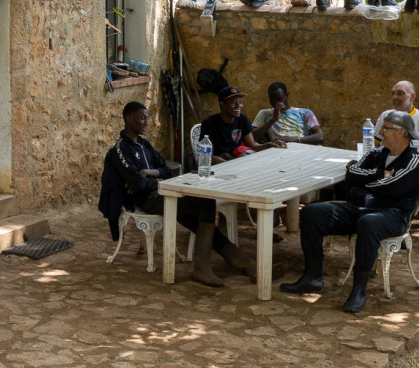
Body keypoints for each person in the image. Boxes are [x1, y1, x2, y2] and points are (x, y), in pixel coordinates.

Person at [279, 111, 419, 313]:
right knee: (312, 213)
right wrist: (379, 176)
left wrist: (366, 186)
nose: (381, 132)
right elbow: (351, 174)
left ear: (402, 133)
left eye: (386, 128)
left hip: (394, 214)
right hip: (361, 208)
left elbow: (394, 188)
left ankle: (359, 290)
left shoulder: (414, 160)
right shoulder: (377, 154)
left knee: (369, 223)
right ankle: (312, 278)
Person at [99, 101, 256, 286]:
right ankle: (205, 268)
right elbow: (138, 185)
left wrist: (150, 173)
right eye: (142, 118)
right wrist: (153, 181)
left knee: (201, 212)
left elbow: (171, 170)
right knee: (205, 204)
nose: (146, 122)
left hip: (162, 192)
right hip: (146, 200)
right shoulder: (120, 150)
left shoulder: (143, 144)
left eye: (147, 118)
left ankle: (246, 265)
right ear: (128, 119)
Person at [199, 87, 286, 158]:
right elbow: (208, 157)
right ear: (222, 104)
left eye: (240, 102)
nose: (238, 106)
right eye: (233, 103)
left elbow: (252, 145)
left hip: (235, 158)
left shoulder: (242, 119)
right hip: (219, 162)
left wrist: (269, 145)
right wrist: (230, 164)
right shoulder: (209, 123)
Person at [375, 80, 419, 156]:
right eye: (393, 93)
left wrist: (411, 164)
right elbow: (375, 145)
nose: (395, 97)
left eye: (400, 93)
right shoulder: (385, 115)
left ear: (413, 96)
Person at [252, 82, 324, 146]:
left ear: (287, 95)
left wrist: (294, 140)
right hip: (279, 150)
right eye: (272, 99)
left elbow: (320, 137)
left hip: (302, 148)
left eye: (279, 99)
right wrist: (273, 119)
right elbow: (251, 138)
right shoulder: (264, 114)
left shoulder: (305, 113)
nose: (275, 103)